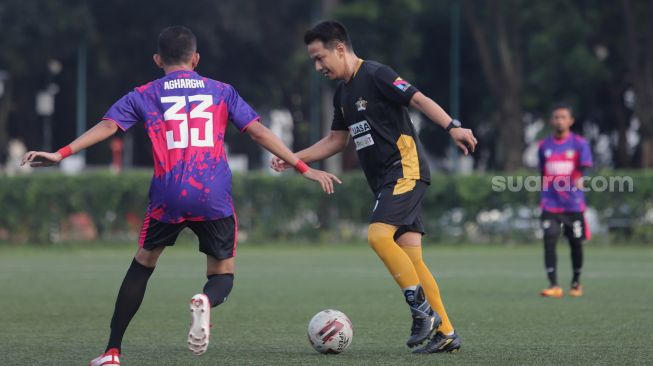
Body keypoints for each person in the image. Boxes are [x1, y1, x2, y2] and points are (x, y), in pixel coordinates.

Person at [22, 26, 340, 366]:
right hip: (212, 191)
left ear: (158, 59)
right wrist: (304, 168)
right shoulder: (221, 91)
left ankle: (112, 351)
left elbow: (108, 126)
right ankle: (205, 299)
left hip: (169, 192)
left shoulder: (144, 93)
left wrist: (61, 153)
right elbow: (258, 131)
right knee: (222, 276)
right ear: (196, 58)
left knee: (143, 264)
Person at [271, 20, 477, 354]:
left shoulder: (377, 74)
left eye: (320, 58)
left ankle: (421, 310)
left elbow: (420, 100)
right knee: (414, 261)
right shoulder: (342, 94)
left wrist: (452, 127)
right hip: (384, 182)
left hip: (405, 170)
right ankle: (447, 333)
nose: (318, 66)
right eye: (313, 61)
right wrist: (295, 159)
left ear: (340, 48)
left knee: (378, 236)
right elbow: (336, 141)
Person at [538, 103, 593, 298]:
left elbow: (585, 168)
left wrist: (582, 180)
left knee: (576, 243)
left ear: (570, 121)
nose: (559, 120)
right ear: (552, 121)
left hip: (573, 204)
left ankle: (576, 282)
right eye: (556, 117)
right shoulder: (544, 146)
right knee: (549, 239)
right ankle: (554, 285)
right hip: (550, 204)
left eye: (563, 117)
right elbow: (542, 171)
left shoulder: (579, 143)